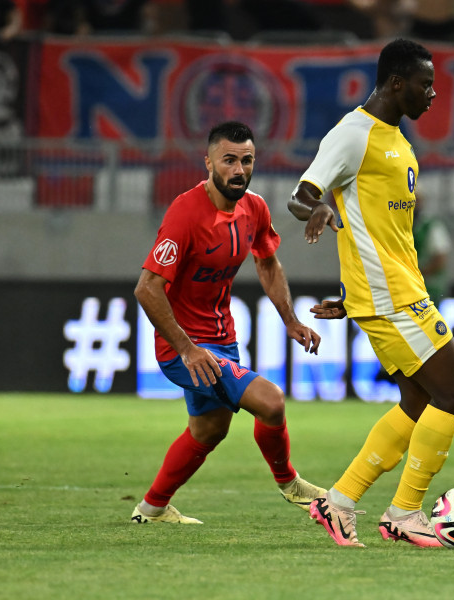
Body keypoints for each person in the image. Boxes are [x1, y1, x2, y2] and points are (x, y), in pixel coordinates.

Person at [288, 38, 454, 548]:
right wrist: (319, 210)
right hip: (393, 296)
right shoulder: (352, 134)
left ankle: (339, 501)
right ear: (396, 83)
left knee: (417, 401)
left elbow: (379, 235)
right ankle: (404, 512)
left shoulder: (396, 139)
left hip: (393, 290)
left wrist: (352, 295)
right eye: (424, 84)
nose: (432, 94)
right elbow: (300, 195)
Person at [131, 121, 326, 524]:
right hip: (183, 349)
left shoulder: (254, 208)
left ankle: (151, 509)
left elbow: (267, 261)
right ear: (209, 163)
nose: (239, 169)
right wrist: (186, 349)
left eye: (247, 160)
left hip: (223, 339)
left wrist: (290, 320)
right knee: (271, 401)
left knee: (209, 431)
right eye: (230, 160)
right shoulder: (185, 214)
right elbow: (147, 289)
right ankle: (290, 483)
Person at [413, 191, 451, 305]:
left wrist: (418, 275)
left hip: (428, 287)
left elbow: (440, 259)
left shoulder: (431, 226)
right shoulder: (401, 225)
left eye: (417, 200)